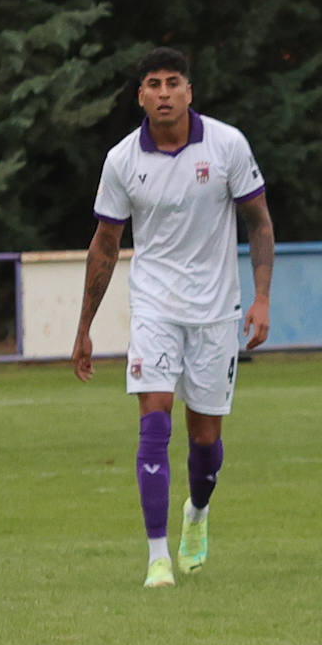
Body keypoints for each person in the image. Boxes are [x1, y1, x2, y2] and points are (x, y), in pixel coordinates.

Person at [72, 48, 274, 587]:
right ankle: (156, 556)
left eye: (173, 83)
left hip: (214, 312)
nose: (163, 92)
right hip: (154, 307)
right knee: (155, 419)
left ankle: (197, 514)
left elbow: (258, 222)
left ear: (189, 91)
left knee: (205, 440)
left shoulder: (227, 145)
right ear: (140, 95)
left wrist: (261, 298)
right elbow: (105, 246)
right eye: (153, 84)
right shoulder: (121, 160)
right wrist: (84, 327)